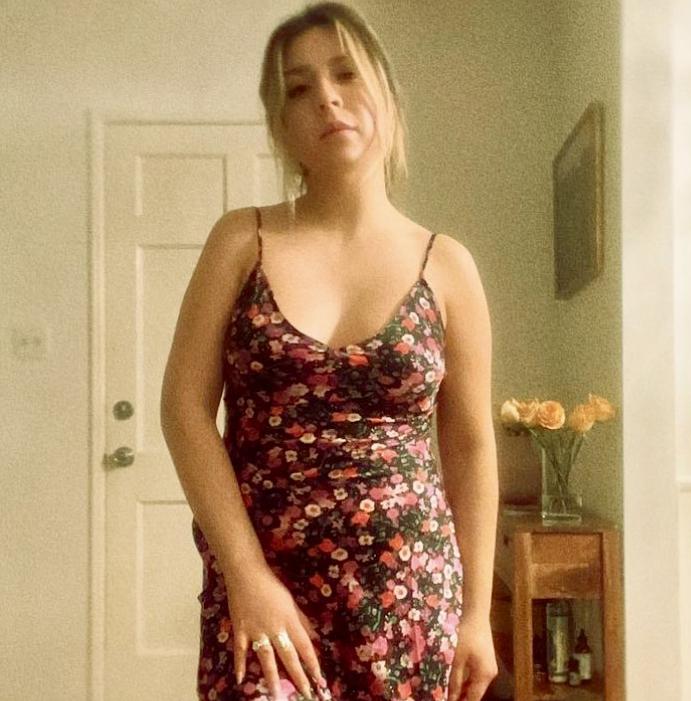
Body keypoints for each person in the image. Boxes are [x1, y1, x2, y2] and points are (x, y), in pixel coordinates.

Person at [160, 2, 499, 700]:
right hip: (266, 592)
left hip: (410, 590)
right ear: (281, 123)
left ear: (387, 94)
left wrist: (475, 615)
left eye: (345, 73)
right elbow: (184, 411)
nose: (327, 97)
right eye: (298, 87)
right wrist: (245, 575)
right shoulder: (241, 241)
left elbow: (469, 445)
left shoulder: (448, 265)